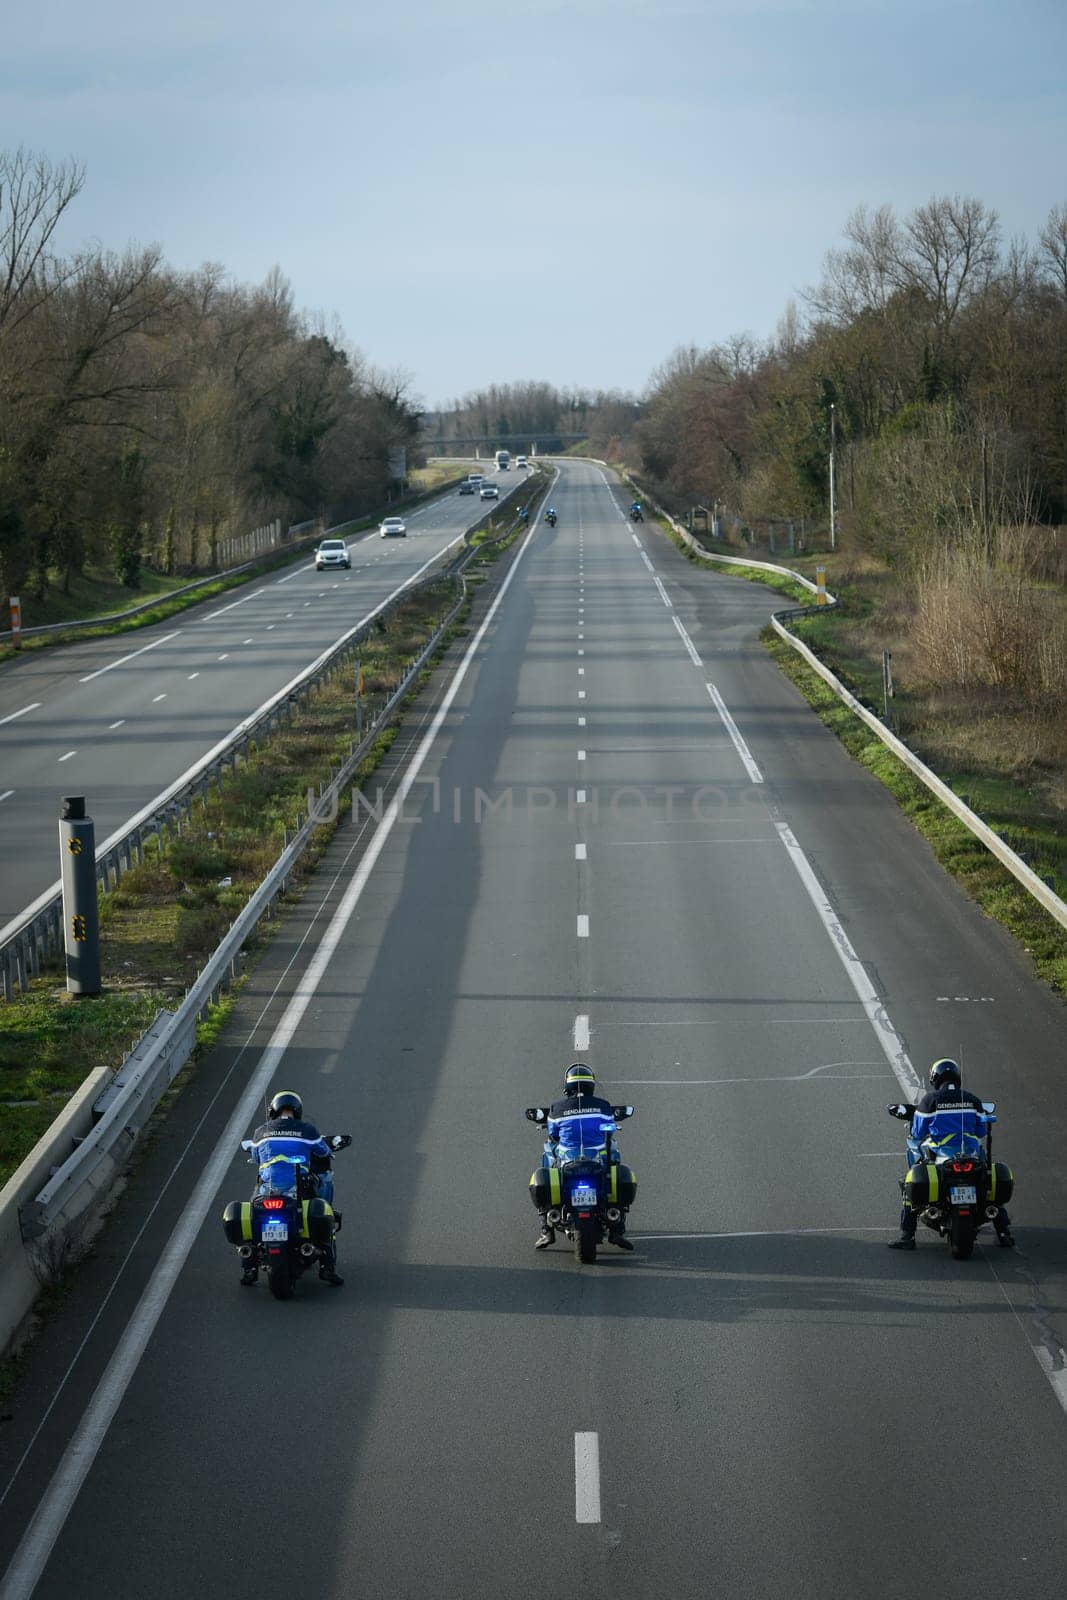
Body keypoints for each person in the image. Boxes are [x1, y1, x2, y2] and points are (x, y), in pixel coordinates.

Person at [887, 1059, 1014, 1250]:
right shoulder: (972, 1099)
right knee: (989, 1187)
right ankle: (1004, 1233)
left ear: (935, 1078)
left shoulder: (930, 1101)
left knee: (908, 1184)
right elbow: (981, 1131)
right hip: (972, 1155)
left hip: (942, 1157)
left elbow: (918, 1132)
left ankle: (907, 1236)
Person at [243, 1090, 345, 1285]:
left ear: (273, 1110)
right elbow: (323, 1151)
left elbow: (255, 1157)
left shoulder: (260, 1131)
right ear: (297, 1110)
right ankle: (327, 1266)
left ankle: (249, 1268)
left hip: (268, 1189)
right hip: (299, 1188)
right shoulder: (307, 1130)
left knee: (252, 1209)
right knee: (325, 1206)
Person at [534, 1063, 634, 1251]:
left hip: (567, 1159)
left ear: (568, 1087)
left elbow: (554, 1134)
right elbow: (610, 1126)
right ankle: (617, 1228)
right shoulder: (602, 1106)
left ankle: (546, 1229)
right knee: (614, 1158)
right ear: (591, 1085)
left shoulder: (557, 1109)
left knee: (547, 1159)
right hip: (597, 1159)